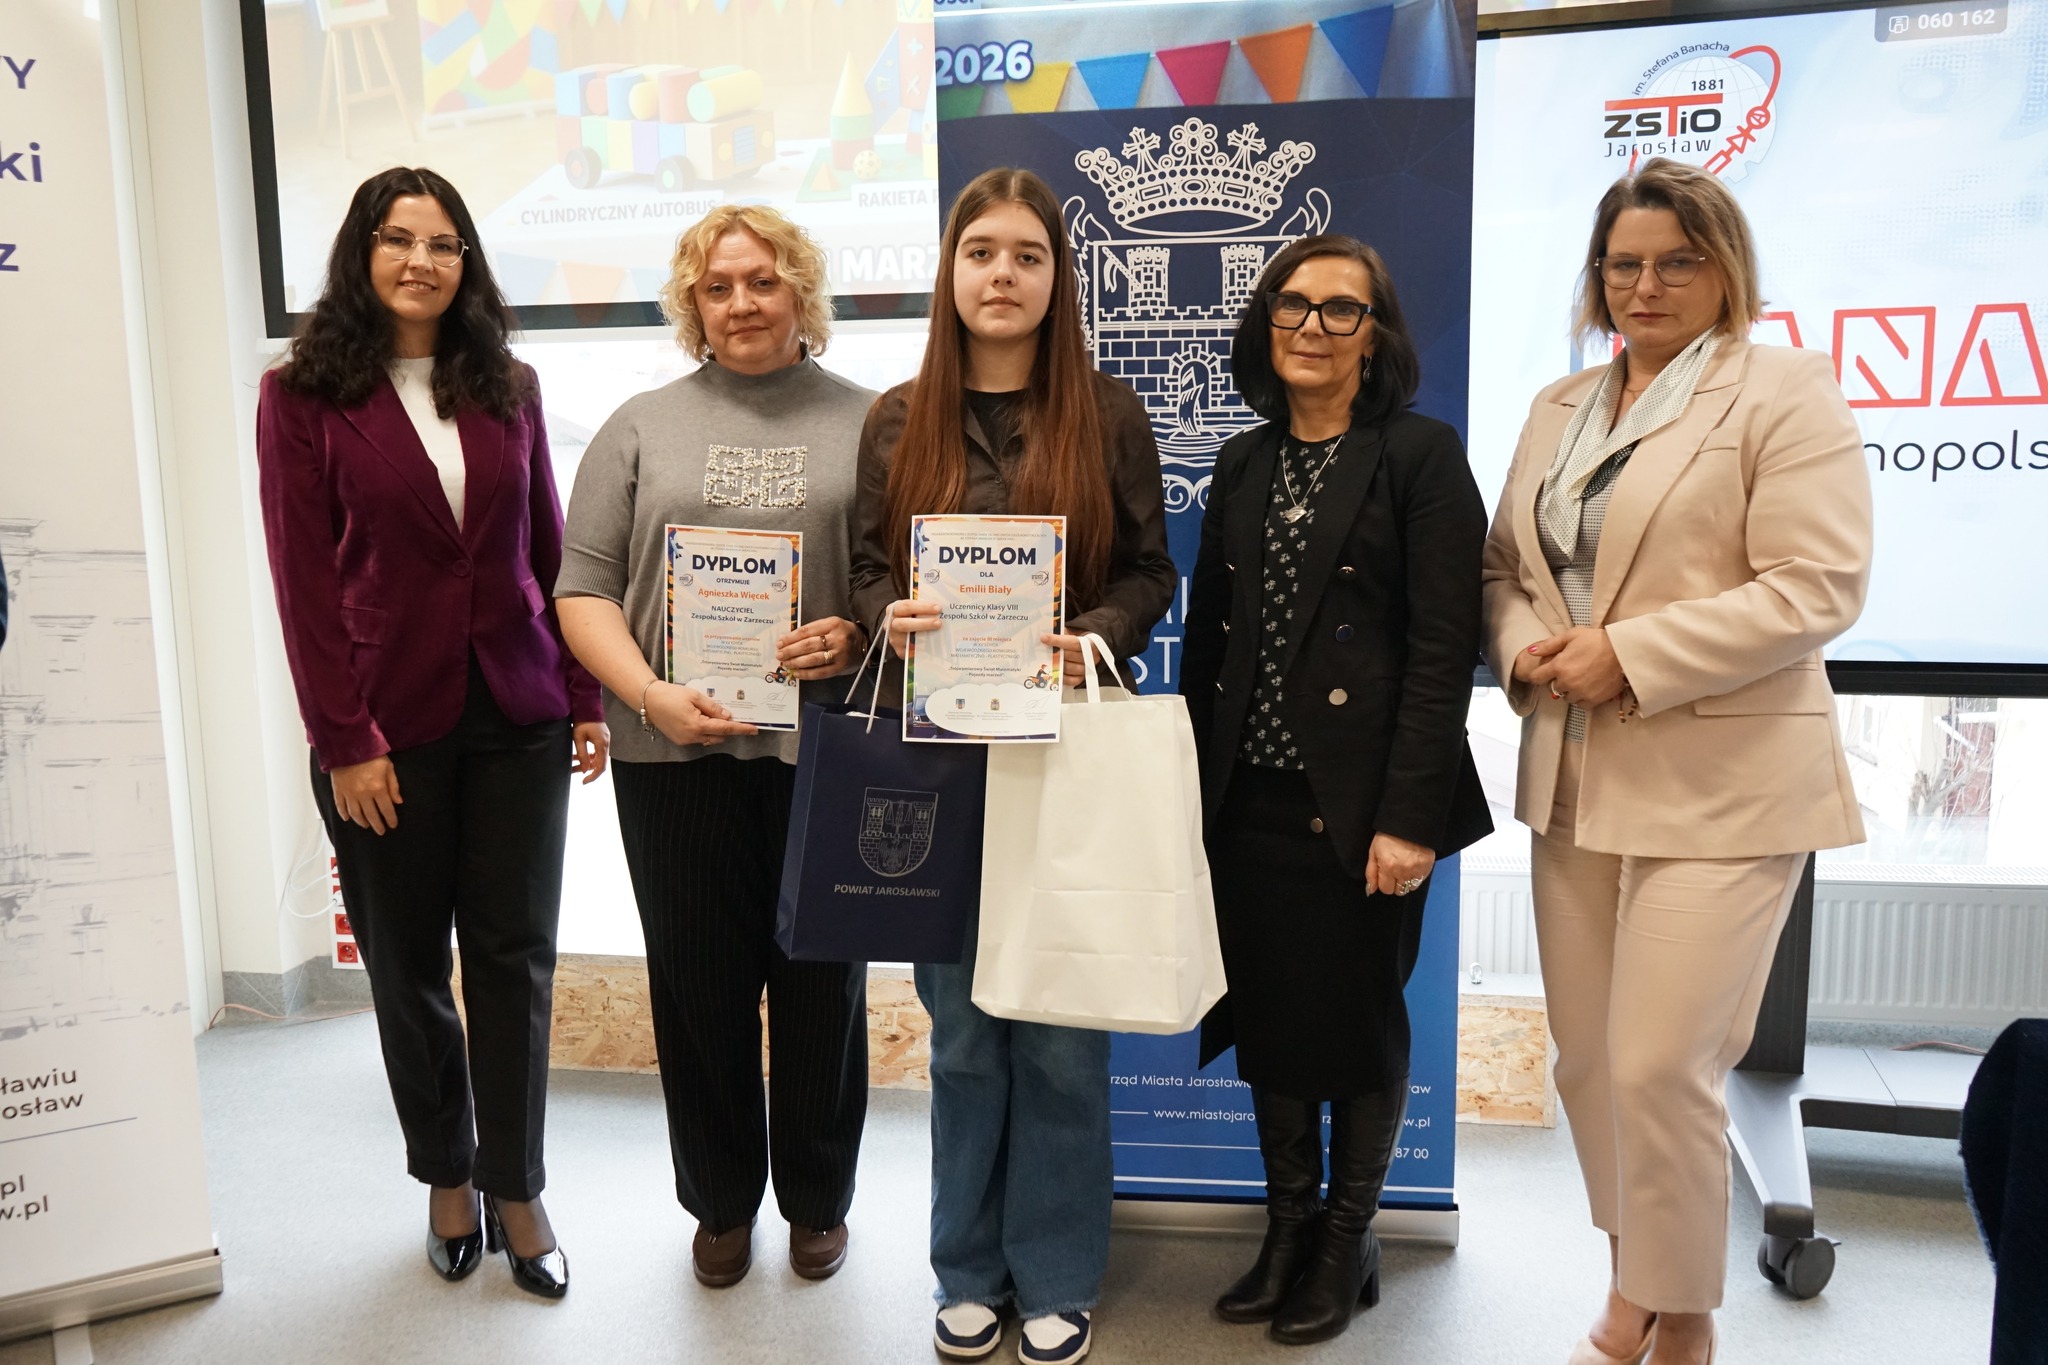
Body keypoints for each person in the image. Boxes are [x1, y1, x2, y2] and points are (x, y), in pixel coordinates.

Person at [1480, 158, 1871, 1365]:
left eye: (1674, 262)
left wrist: (1630, 654)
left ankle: (1679, 1314)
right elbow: (1504, 569)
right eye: (1622, 265)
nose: (1644, 286)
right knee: (1590, 1066)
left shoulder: (1783, 390)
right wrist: (1523, 647)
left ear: (1723, 269)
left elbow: (1815, 586)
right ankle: (1635, 1280)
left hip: (1724, 787)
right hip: (1573, 775)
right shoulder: (1557, 404)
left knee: (1661, 1065)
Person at [257, 166, 607, 1299]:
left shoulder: (509, 382)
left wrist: (585, 694)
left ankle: (518, 1188)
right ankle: (447, 1179)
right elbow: (303, 583)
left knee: (513, 961)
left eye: (444, 243)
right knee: (408, 968)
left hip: (517, 709)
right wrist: (343, 738)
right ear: (362, 252)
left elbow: (549, 548)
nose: (422, 260)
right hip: (382, 727)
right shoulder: (301, 395)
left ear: (467, 262)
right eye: (399, 239)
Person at [848, 166, 1176, 1364]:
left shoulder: (1108, 413)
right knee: (962, 1035)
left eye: (1026, 255)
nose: (1001, 274)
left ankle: (1056, 1272)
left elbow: (1150, 571)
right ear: (949, 271)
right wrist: (887, 616)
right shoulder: (897, 419)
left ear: (1055, 278)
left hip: (1066, 754)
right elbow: (865, 570)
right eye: (980, 251)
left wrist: (1097, 631)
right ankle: (964, 1269)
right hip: (939, 761)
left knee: (1060, 1034)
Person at [1179, 234, 1492, 1346]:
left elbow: (1443, 651)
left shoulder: (1418, 454)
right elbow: (1209, 641)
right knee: (1266, 1020)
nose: (1311, 325)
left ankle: (1347, 1238)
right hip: (1248, 797)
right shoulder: (1241, 460)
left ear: (1375, 335)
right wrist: (1189, 791)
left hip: (1365, 806)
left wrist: (1409, 818)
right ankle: (1288, 1230)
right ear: (1266, 321)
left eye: (1340, 309)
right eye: (1293, 303)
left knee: (1355, 1026)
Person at [554, 205, 875, 1290]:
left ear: (801, 291)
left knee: (822, 988)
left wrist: (854, 632)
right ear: (692, 304)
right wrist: (646, 692)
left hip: (822, 751)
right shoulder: (639, 426)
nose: (741, 302)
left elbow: (893, 583)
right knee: (697, 990)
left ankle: (819, 1199)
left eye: (763, 281)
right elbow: (582, 590)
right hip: (673, 758)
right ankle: (720, 1202)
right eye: (717, 286)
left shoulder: (872, 421)